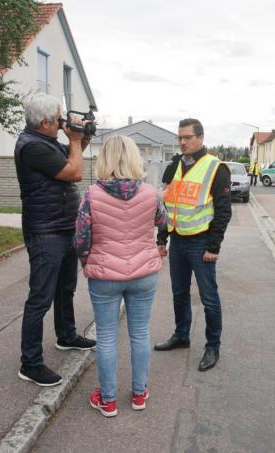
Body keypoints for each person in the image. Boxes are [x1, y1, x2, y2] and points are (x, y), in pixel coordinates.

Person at [74, 135, 167, 417]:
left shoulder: (91, 194)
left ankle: (109, 399)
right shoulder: (151, 193)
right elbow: (164, 222)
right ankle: (139, 394)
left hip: (104, 276)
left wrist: (87, 262)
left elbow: (81, 238)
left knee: (106, 336)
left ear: (106, 160)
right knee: (140, 333)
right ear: (135, 159)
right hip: (143, 274)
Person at [14, 93, 96, 387]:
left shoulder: (46, 142)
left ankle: (66, 335)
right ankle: (30, 363)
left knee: (65, 289)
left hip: (63, 227)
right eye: (59, 118)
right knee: (40, 298)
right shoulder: (32, 146)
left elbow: (73, 155)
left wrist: (83, 136)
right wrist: (74, 138)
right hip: (45, 232)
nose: (63, 122)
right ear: (46, 122)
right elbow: (74, 171)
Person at [154, 118, 232, 371]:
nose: (182, 142)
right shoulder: (174, 165)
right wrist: (162, 238)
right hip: (177, 240)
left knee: (209, 298)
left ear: (200, 138)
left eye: (187, 137)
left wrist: (214, 247)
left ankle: (213, 346)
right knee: (179, 293)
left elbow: (224, 211)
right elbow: (166, 205)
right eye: (180, 137)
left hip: (201, 242)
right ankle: (181, 336)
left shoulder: (216, 168)